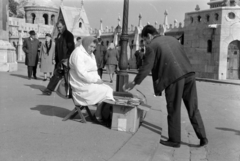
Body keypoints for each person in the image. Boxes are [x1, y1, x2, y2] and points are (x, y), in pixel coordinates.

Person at [124, 25, 208, 148]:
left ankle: (174, 140)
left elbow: (146, 67)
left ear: (149, 36)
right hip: (189, 74)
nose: (146, 43)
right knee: (193, 108)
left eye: (145, 40)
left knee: (173, 108)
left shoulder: (152, 46)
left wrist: (134, 82)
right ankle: (203, 137)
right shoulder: (173, 40)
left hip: (174, 78)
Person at [69, 36, 114, 121]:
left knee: (108, 89)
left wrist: (98, 80)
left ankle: (99, 112)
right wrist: (96, 80)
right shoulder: (78, 54)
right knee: (105, 91)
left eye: (94, 47)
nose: (93, 49)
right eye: (91, 46)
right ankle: (98, 114)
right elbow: (82, 74)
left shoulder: (90, 54)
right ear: (86, 44)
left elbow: (94, 70)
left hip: (88, 82)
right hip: (80, 85)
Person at [41, 19, 75, 95]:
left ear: (64, 26)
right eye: (58, 27)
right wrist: (55, 59)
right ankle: (48, 90)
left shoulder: (69, 35)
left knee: (67, 77)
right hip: (59, 60)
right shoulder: (59, 35)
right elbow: (57, 49)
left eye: (60, 27)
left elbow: (71, 49)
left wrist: (66, 59)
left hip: (66, 60)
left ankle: (70, 93)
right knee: (56, 75)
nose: (59, 29)